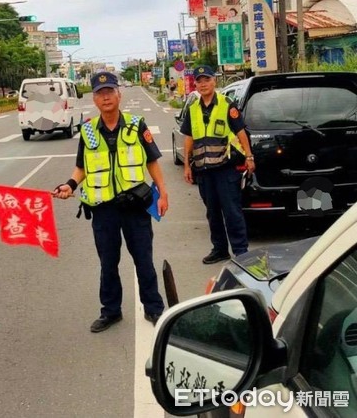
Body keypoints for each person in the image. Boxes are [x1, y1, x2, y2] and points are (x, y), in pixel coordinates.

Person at [53, 72, 169, 333]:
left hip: (135, 206)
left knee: (143, 260)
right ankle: (111, 311)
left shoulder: (137, 124)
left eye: (109, 91)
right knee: (108, 263)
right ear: (94, 99)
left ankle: (154, 308)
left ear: (119, 94)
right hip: (104, 209)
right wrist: (69, 185)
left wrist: (162, 192)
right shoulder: (88, 130)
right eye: (99, 93)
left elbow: (152, 160)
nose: (105, 97)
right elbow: (81, 167)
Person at [181, 65, 255, 264]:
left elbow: (240, 132)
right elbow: (188, 137)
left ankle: (241, 252)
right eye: (199, 81)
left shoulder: (226, 104)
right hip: (203, 170)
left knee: (232, 211)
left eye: (207, 80)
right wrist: (187, 165)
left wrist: (249, 157)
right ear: (195, 84)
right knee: (212, 213)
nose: (203, 84)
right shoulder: (193, 108)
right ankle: (220, 249)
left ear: (214, 81)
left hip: (225, 168)